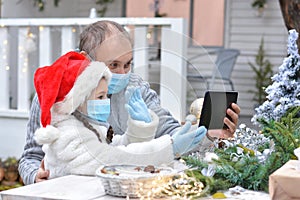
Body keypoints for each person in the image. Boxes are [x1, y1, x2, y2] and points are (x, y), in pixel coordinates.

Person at [18, 20, 240, 185]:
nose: (122, 73)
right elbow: (30, 156)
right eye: (113, 65)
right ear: (86, 59)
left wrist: (208, 135)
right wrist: (35, 177)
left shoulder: (136, 88)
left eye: (127, 64)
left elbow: (170, 132)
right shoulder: (56, 92)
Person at [32, 51, 206, 179]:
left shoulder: (86, 125)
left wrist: (139, 129)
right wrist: (169, 148)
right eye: (100, 97)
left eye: (106, 95)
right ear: (77, 101)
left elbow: (113, 148)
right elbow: (112, 160)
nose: (105, 101)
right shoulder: (67, 133)